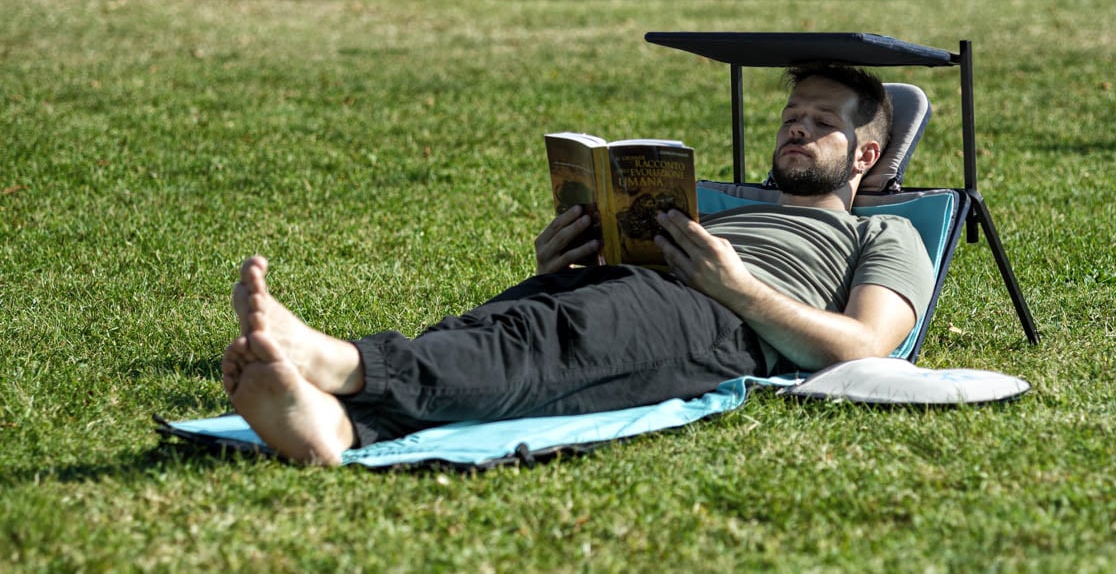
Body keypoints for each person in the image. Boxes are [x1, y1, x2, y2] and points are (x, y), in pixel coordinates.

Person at [220, 64, 935, 465]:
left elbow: (865, 346)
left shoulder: (886, 233)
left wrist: (738, 287)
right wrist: (566, 256)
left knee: (545, 346)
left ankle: (346, 365)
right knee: (508, 326)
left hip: (717, 319)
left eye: (822, 122)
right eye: (790, 117)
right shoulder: (716, 211)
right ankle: (337, 428)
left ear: (865, 155)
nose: (798, 129)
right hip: (639, 288)